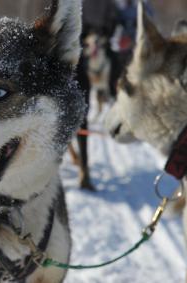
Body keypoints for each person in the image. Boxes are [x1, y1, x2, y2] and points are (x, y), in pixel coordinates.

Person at [75, 0, 120, 191]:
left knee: (114, 62)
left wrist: (104, 34)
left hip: (100, 44)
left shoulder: (109, 5)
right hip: (77, 52)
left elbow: (114, 22)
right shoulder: (79, 4)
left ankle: (112, 92)